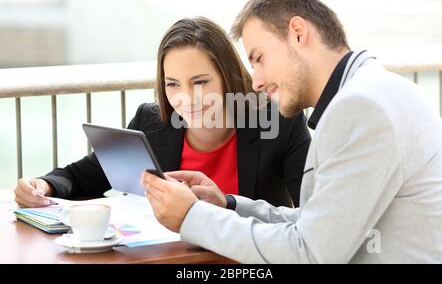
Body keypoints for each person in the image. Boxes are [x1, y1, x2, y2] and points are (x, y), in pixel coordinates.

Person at [140, 0, 442, 263]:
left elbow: (310, 253)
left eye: (259, 58)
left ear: (298, 33)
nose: (257, 82)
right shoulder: (370, 92)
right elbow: (314, 225)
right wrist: (228, 205)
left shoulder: (361, 108)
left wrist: (192, 216)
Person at [14, 16, 311, 209]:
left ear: (229, 77)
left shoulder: (278, 122)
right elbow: (84, 176)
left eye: (200, 82)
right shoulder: (151, 122)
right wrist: (44, 186)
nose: (185, 99)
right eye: (173, 84)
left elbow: (311, 214)